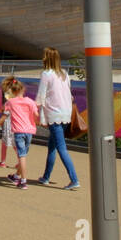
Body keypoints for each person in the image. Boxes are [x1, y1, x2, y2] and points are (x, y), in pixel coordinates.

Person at [36, 47, 80, 189]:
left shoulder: (46, 74)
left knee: (61, 148)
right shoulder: (64, 74)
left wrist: (40, 116)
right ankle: (46, 176)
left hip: (54, 114)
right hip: (66, 114)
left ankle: (74, 179)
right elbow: (69, 94)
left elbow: (41, 96)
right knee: (52, 147)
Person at [1, 77, 38, 191]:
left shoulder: (10, 102)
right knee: (23, 155)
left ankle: (23, 180)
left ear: (12, 91)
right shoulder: (30, 102)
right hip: (29, 130)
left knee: (21, 156)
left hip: (18, 131)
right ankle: (16, 176)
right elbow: (36, 115)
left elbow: (4, 110)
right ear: (23, 89)